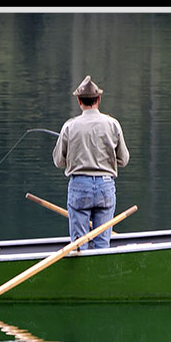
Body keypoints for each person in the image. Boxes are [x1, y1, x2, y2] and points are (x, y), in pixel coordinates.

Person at [52, 75, 129, 250]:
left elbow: (58, 161)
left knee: (79, 245)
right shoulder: (113, 124)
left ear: (79, 101)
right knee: (103, 244)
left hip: (79, 187)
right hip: (106, 186)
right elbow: (123, 159)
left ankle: (82, 275)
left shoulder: (69, 127)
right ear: (99, 99)